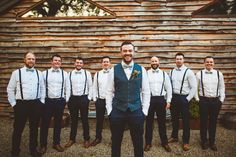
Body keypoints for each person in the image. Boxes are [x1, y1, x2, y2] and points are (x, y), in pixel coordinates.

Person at [106, 41, 150, 157]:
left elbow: (146, 91)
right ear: (121, 52)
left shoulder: (141, 69)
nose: (127, 53)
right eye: (125, 51)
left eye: (130, 50)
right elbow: (109, 92)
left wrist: (144, 111)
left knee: (138, 142)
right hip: (117, 111)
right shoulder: (113, 70)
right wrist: (110, 111)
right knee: (115, 142)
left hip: (136, 111)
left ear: (134, 52)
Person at [7, 52, 45, 157]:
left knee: (34, 129)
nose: (31, 61)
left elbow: (42, 88)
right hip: (21, 105)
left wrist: (41, 101)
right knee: (18, 129)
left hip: (35, 104)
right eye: (29, 58)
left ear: (35, 61)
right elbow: (10, 89)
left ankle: (33, 150)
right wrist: (13, 104)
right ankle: (15, 151)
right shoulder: (16, 73)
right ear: (24, 60)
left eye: (33, 59)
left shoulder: (39, 73)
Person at [40, 54, 70, 154]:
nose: (57, 62)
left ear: (61, 62)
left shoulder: (65, 74)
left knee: (58, 124)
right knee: (45, 124)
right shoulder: (44, 73)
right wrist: (42, 101)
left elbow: (68, 88)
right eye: (55, 60)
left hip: (59, 102)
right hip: (48, 102)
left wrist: (65, 99)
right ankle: (43, 145)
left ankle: (56, 143)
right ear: (51, 61)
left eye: (59, 61)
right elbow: (41, 88)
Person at [195, 56, 225, 151]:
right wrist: (197, 99)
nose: (209, 63)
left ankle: (212, 142)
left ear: (213, 63)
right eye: (207, 62)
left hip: (216, 101)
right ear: (204, 63)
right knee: (203, 122)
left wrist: (221, 100)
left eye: (211, 62)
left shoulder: (218, 74)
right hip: (203, 100)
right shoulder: (199, 74)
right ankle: (204, 141)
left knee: (213, 122)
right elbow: (195, 88)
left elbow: (222, 87)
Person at [168, 52, 197, 151]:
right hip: (174, 98)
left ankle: (185, 141)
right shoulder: (172, 71)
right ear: (175, 60)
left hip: (184, 98)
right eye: (177, 59)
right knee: (174, 119)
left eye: (180, 59)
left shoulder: (189, 72)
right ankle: (174, 136)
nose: (179, 60)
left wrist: (187, 99)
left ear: (183, 60)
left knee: (185, 121)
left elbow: (194, 87)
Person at [144, 56, 172, 152]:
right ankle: (148, 143)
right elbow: (142, 89)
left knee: (162, 123)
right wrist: (143, 101)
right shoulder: (146, 74)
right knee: (148, 123)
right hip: (149, 100)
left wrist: (168, 101)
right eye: (152, 61)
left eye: (156, 61)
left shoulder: (164, 74)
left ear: (159, 62)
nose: (154, 62)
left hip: (161, 100)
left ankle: (164, 143)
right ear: (150, 63)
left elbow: (169, 88)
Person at [65, 57, 93, 149]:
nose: (79, 64)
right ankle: (72, 139)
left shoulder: (87, 73)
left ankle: (86, 139)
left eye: (80, 63)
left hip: (83, 98)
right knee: (74, 120)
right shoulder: (69, 74)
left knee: (85, 120)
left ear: (83, 64)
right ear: (74, 64)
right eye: (77, 62)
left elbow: (90, 86)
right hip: (73, 99)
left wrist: (88, 98)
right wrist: (68, 99)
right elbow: (68, 87)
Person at [90, 56, 111, 146]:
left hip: (111, 101)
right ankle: (98, 138)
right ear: (102, 63)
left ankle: (114, 139)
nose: (105, 63)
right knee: (99, 120)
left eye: (107, 62)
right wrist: (95, 99)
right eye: (104, 62)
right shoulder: (97, 74)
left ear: (110, 63)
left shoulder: (113, 73)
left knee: (113, 120)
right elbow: (94, 87)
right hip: (100, 100)